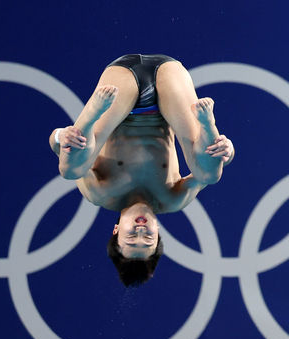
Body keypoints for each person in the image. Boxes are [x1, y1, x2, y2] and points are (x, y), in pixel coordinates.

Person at [48, 54, 234, 286]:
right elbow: (214, 168)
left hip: (119, 91)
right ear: (157, 232)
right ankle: (209, 125)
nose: (140, 230)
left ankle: (88, 117)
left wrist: (59, 136)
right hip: (169, 87)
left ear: (116, 229)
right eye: (148, 238)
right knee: (209, 176)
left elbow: (60, 152)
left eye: (131, 236)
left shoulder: (100, 193)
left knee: (71, 171)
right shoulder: (172, 199)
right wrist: (228, 150)